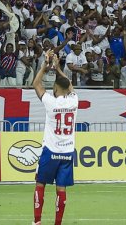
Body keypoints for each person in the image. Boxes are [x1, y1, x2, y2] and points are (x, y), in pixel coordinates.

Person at [31, 50, 78, 225]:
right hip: (66, 153)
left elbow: (36, 84)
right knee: (61, 189)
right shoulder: (74, 101)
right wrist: (57, 68)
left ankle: (37, 222)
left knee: (40, 184)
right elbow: (69, 85)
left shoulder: (51, 102)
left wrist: (45, 66)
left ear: (56, 88)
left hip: (50, 150)